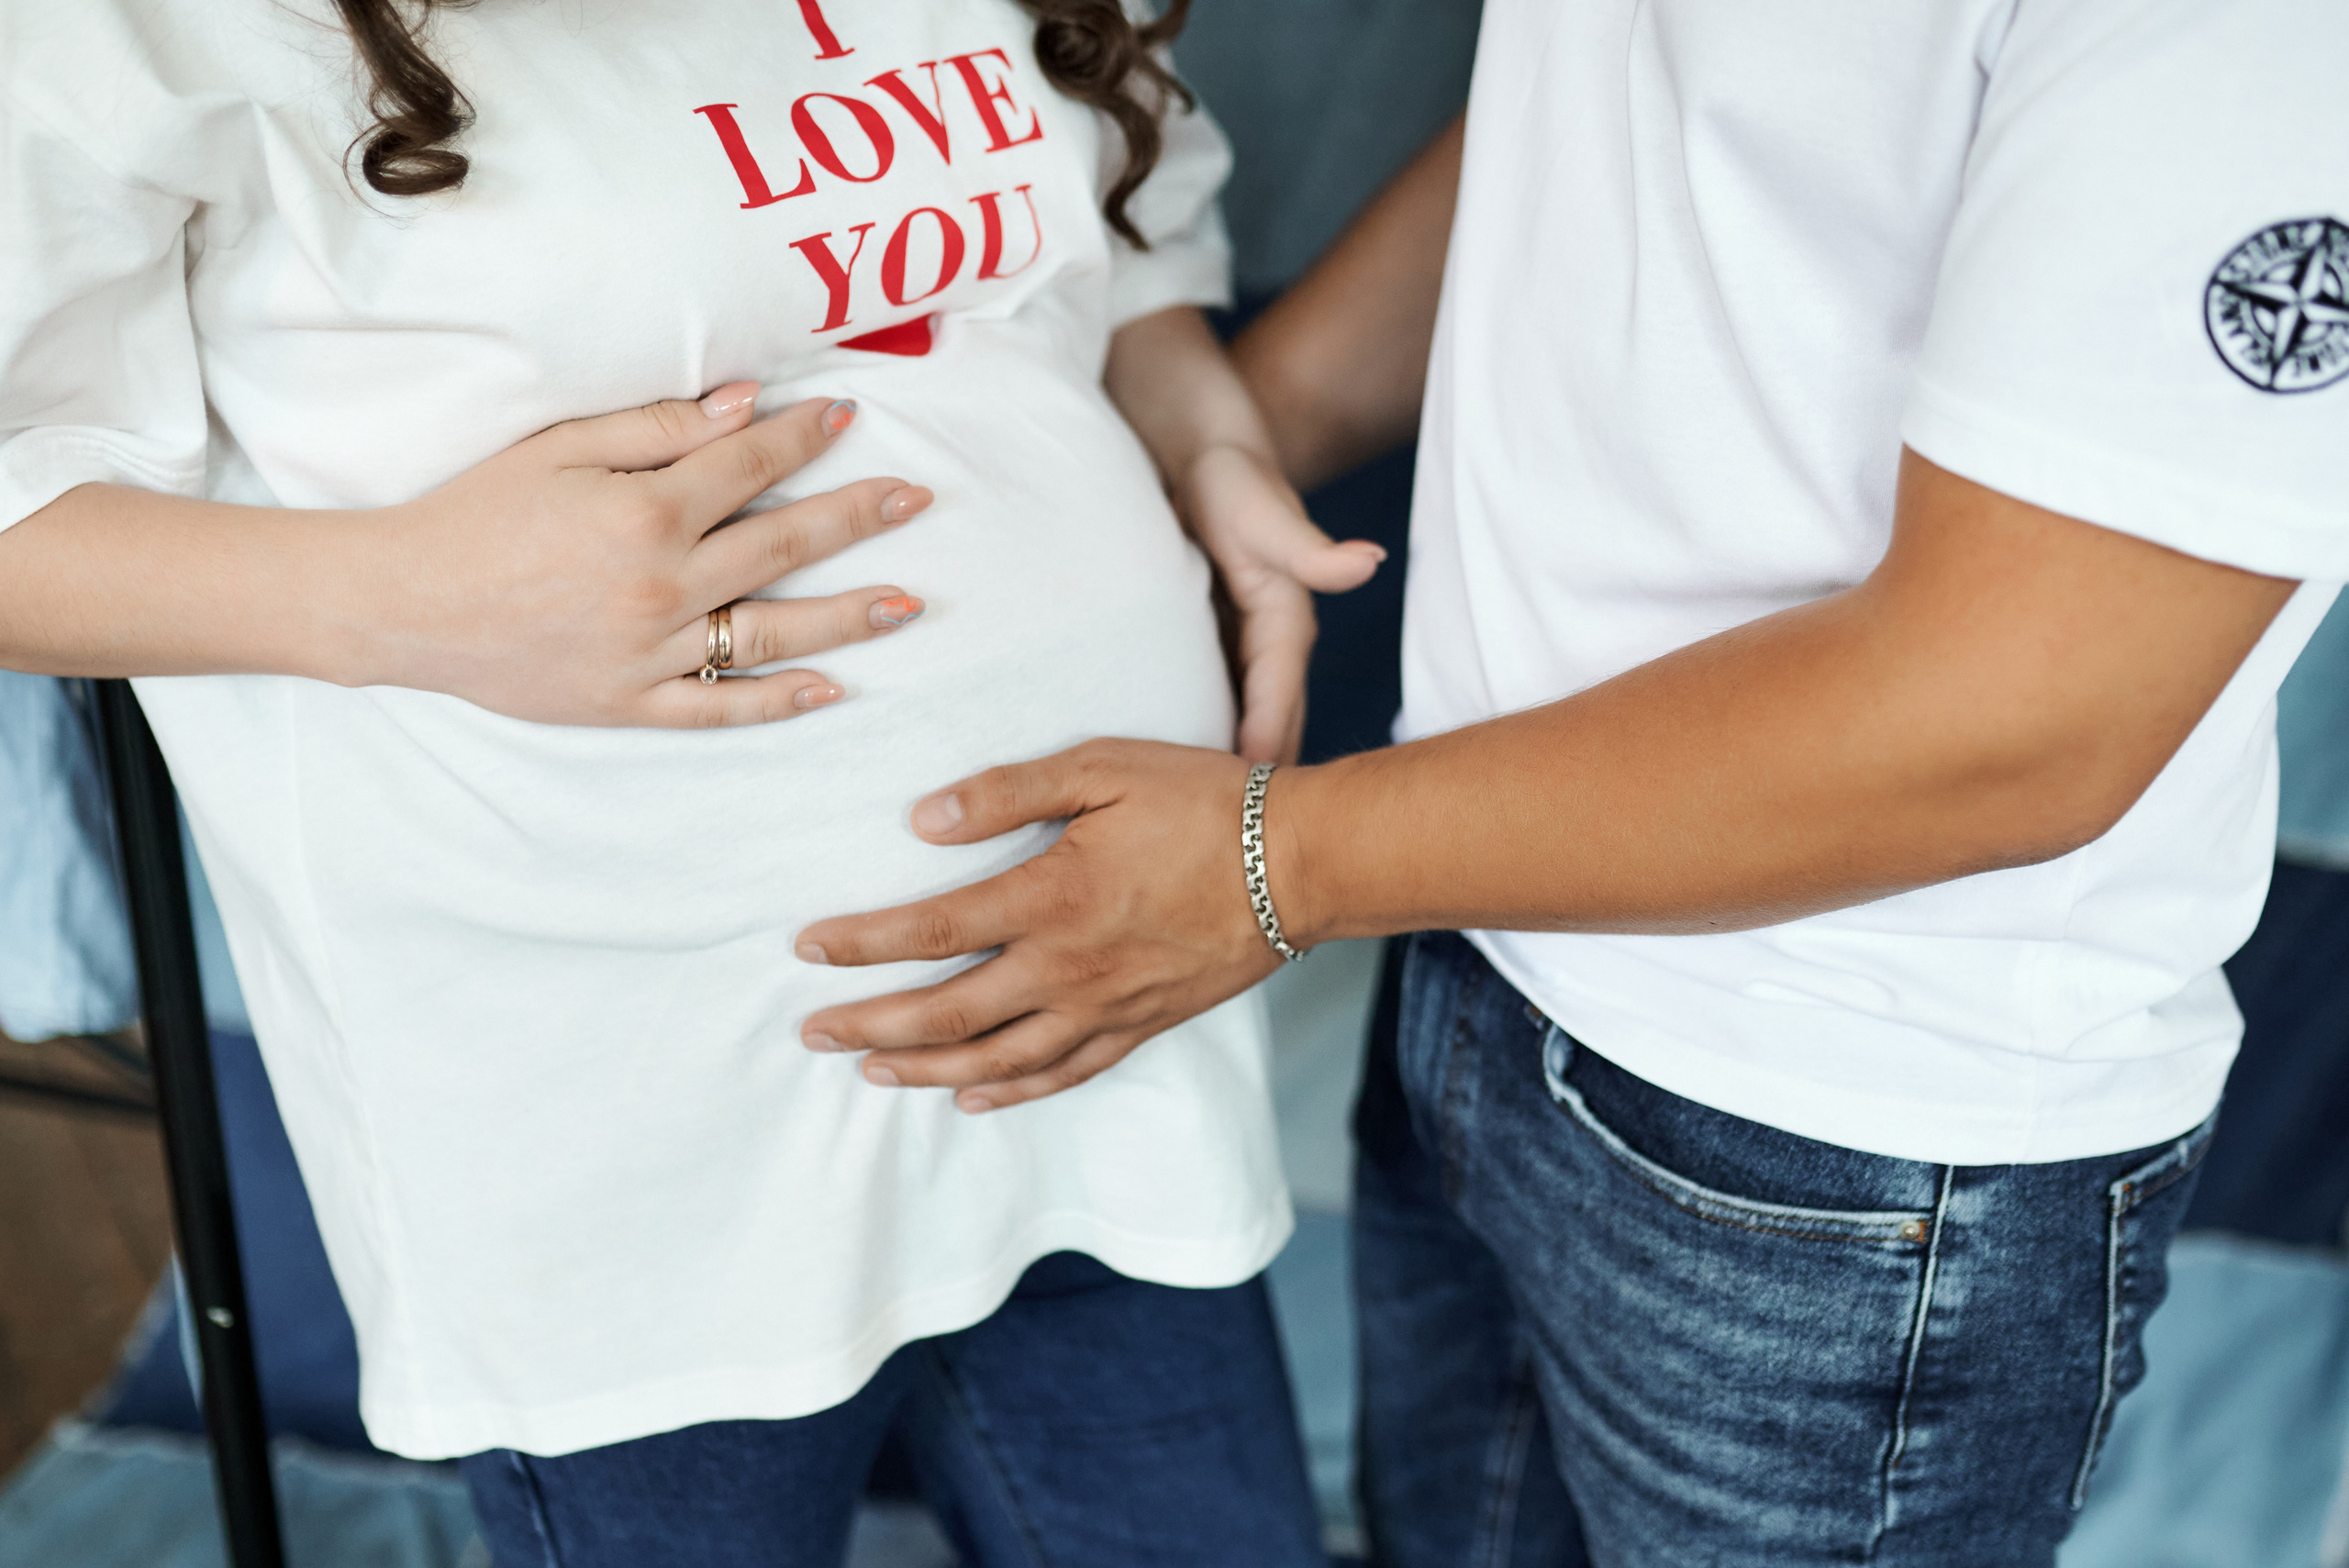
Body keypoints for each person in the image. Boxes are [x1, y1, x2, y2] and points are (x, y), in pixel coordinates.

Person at [790, 0, 2349, 1562]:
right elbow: (1644, 110)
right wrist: (1221, 458)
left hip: (1841, 1132)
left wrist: (1285, 862)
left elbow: (2024, 715)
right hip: (1476, 944)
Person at [0, 2, 1381, 1562]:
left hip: (1109, 1019)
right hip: (640, 1135)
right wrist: (395, 596)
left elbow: (1116, 234)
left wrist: (1203, 440)